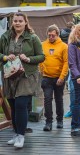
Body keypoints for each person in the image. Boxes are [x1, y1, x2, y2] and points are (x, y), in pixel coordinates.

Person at [0, 12, 44, 148]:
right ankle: (15, 134)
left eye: (20, 21)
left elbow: (41, 56)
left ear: (25, 22)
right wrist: (6, 57)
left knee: (20, 105)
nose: (17, 23)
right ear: (12, 22)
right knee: (13, 105)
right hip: (9, 75)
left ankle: (21, 136)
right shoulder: (5, 37)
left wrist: (29, 59)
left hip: (27, 76)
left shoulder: (33, 38)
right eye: (15, 21)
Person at [40, 24, 68, 131]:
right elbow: (40, 58)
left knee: (59, 99)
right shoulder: (43, 45)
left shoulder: (64, 46)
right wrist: (41, 69)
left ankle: (60, 120)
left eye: (53, 35)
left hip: (58, 77)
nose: (51, 37)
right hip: (46, 77)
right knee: (47, 99)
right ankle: (48, 122)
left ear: (57, 35)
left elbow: (66, 62)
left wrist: (62, 77)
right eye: (49, 35)